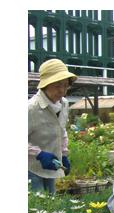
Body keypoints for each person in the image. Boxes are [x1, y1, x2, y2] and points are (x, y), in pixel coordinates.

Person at [28, 59, 76, 193]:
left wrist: (64, 154)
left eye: (65, 85)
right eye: (57, 85)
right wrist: (39, 154)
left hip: (50, 167)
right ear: (45, 85)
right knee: (36, 208)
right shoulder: (31, 109)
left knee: (50, 206)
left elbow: (61, 130)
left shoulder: (64, 104)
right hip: (30, 168)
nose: (62, 90)